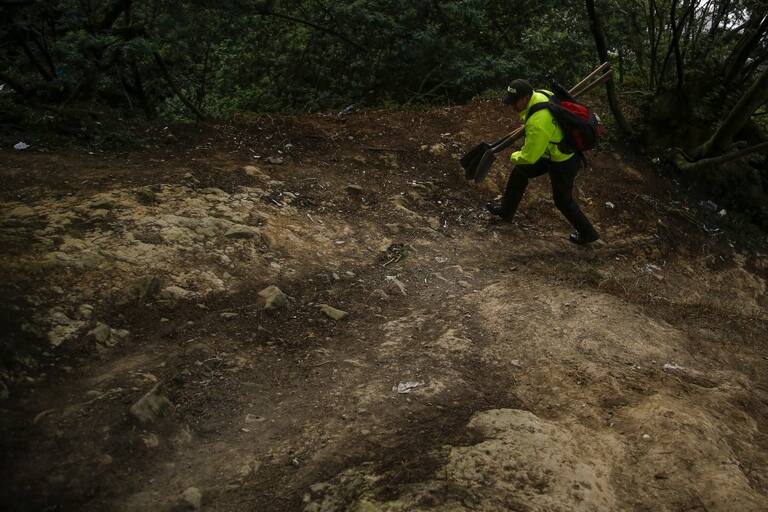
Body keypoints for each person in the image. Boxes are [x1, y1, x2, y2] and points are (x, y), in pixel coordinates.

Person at [486, 79, 599, 245]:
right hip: (549, 152)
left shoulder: (538, 123)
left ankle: (588, 233)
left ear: (525, 98)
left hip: (563, 160)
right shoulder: (541, 94)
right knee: (520, 171)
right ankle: (506, 211)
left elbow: (529, 157)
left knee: (562, 200)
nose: (512, 106)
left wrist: (513, 156)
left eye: (514, 102)